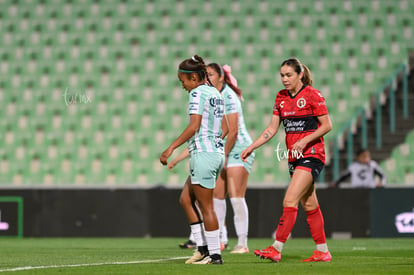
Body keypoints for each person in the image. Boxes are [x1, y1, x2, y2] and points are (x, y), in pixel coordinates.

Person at [241, 58, 333, 262]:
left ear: (300, 74)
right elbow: (272, 129)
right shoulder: (281, 97)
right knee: (309, 204)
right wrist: (251, 146)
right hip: (295, 157)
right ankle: (323, 251)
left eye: (288, 75)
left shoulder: (312, 94)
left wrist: (305, 140)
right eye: (282, 75)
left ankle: (276, 248)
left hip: (312, 154)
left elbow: (327, 125)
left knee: (289, 199)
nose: (284, 79)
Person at [169, 63, 255, 254]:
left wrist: (172, 148)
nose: (208, 77)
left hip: (237, 148)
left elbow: (230, 131)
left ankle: (235, 244)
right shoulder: (213, 94)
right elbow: (217, 130)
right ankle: (217, 241)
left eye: (210, 74)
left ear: (222, 77)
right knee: (212, 198)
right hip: (216, 150)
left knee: (233, 197)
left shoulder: (218, 95)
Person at [160, 55, 225, 265]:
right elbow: (227, 128)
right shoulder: (215, 92)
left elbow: (194, 126)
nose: (183, 86)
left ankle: (214, 255)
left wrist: (171, 147)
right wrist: (213, 144)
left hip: (204, 155)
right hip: (214, 154)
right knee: (185, 200)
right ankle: (202, 249)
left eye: (184, 81)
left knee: (207, 207)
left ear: (195, 77)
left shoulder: (197, 93)